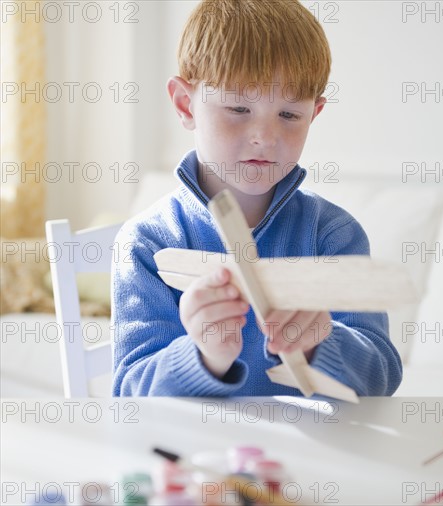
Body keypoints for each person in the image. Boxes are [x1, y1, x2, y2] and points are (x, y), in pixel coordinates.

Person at [112, 0, 402, 396]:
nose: (265, 137)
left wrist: (322, 343)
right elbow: (129, 396)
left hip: (313, 453)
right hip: (200, 454)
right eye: (238, 107)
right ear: (185, 104)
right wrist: (203, 357)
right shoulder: (147, 242)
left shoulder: (334, 235)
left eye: (288, 115)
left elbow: (382, 379)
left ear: (314, 114)